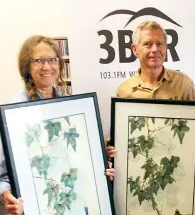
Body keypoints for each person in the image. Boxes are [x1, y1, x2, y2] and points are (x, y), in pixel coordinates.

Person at [0, 35, 116, 215]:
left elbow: (78, 157)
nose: (47, 66)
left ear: (59, 64)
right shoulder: (15, 113)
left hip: (72, 200)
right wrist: (6, 195)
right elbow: (3, 174)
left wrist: (101, 162)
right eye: (38, 60)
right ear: (27, 67)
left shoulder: (69, 106)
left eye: (52, 60)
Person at [117, 20, 195, 118]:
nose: (155, 49)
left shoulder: (183, 83)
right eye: (147, 44)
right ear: (135, 49)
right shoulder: (124, 91)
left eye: (160, 44)